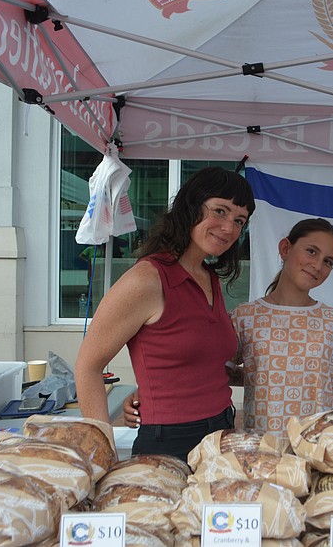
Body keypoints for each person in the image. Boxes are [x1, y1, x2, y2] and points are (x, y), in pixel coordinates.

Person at [125, 218, 333, 442]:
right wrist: (145, 393)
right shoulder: (244, 318)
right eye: (311, 251)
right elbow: (206, 372)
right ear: (285, 248)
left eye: (328, 261)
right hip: (258, 455)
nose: (318, 265)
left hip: (316, 457)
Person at [74, 167, 255, 462]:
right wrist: (102, 451)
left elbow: (200, 362)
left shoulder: (209, 279)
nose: (229, 228)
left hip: (222, 435)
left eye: (239, 220)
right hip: (170, 443)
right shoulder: (147, 279)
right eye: (220, 211)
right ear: (190, 207)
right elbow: (87, 367)